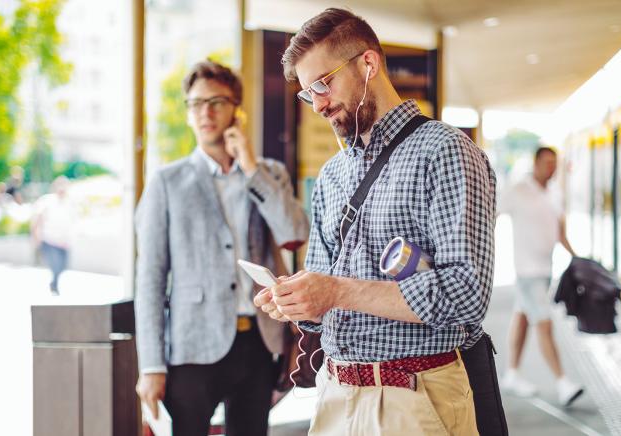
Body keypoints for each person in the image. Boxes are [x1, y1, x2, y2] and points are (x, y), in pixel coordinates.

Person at [254, 8, 496, 435]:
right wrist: (298, 301)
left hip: (416, 398)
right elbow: (326, 294)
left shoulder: (446, 151)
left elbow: (466, 296)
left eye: (324, 84)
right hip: (335, 395)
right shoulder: (332, 175)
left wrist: (335, 290)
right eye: (309, 94)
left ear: (368, 63)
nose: (319, 105)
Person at [134, 60, 309, 436]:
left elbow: (293, 231)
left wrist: (249, 166)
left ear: (237, 110)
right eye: (195, 104)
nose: (205, 112)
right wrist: (151, 366)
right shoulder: (167, 182)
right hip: (192, 347)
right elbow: (149, 280)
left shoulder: (268, 174)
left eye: (216, 101)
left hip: (258, 344)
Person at [497, 146, 584, 406]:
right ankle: (563, 382)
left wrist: (578, 259)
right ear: (535, 163)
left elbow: (560, 232)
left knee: (522, 318)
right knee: (544, 323)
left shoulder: (555, 193)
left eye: (554, 163)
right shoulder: (519, 190)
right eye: (547, 163)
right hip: (527, 271)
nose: (552, 168)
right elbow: (491, 216)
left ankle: (511, 374)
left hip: (546, 271)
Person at [31, 176, 74, 295]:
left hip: (64, 242)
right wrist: (35, 236)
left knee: (63, 266)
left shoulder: (69, 203)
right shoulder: (47, 201)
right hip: (49, 240)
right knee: (55, 265)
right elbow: (38, 218)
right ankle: (54, 285)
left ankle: (54, 283)